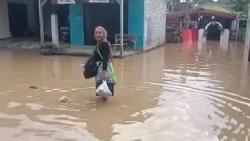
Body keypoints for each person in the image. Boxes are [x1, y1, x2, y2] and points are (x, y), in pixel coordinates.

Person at [93, 26, 116, 100]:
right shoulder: (98, 44)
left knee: (103, 87)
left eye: (100, 33)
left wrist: (104, 71)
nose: (98, 34)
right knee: (102, 88)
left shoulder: (105, 44)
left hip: (103, 68)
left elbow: (105, 59)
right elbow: (96, 57)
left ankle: (104, 105)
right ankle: (103, 103)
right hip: (99, 67)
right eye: (96, 33)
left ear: (104, 34)